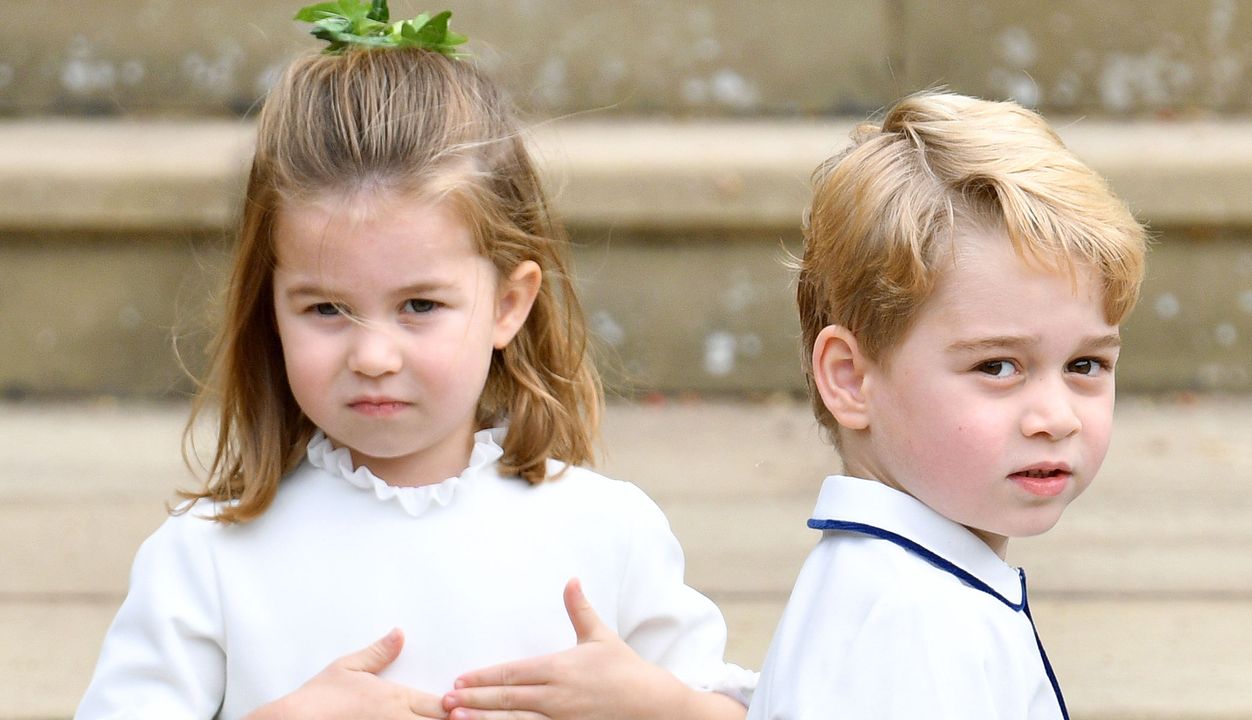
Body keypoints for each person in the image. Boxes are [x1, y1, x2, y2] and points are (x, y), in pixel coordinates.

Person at [76, 6, 752, 719]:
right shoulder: (205, 560)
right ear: (267, 307)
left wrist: (664, 707)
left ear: (508, 304)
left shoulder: (608, 531)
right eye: (325, 309)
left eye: (421, 306)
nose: (372, 356)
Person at [747, 91, 1147, 719]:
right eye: (997, 367)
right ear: (851, 379)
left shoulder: (906, 586)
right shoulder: (914, 620)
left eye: (1084, 365)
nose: (1058, 417)